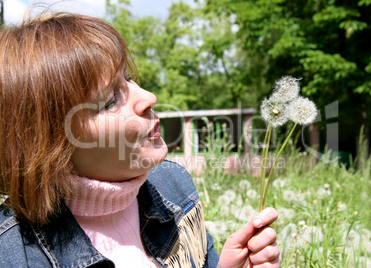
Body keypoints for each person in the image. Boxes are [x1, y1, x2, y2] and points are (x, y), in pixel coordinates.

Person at [0, 11, 281, 268]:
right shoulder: (16, 255)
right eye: (110, 101)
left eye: (129, 78)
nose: (148, 98)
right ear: (50, 146)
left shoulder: (174, 186)